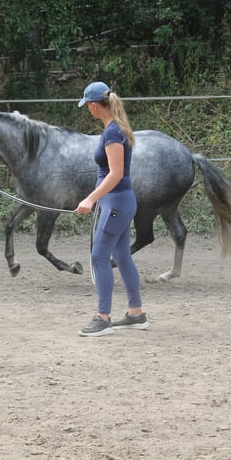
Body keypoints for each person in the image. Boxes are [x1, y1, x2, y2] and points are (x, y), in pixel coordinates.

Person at [74, 81, 149, 337]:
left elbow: (116, 174)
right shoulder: (115, 128)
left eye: (88, 106)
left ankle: (103, 318)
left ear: (95, 106)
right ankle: (136, 313)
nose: (88, 110)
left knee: (98, 257)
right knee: (123, 256)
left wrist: (91, 199)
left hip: (116, 203)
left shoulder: (112, 133)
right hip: (117, 203)